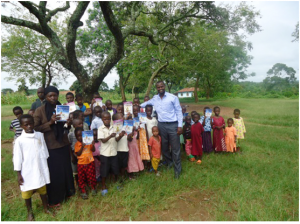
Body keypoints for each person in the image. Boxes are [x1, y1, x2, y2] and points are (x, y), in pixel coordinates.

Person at [34, 86, 75, 208]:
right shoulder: (40, 111)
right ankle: (56, 198)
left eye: (55, 95)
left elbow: (65, 127)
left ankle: (69, 192)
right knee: (55, 172)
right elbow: (35, 128)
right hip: (50, 146)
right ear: (45, 97)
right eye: (50, 96)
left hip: (63, 143)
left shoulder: (62, 108)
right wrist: (50, 123)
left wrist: (68, 123)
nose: (53, 98)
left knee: (66, 170)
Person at [140, 81, 183, 179]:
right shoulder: (155, 98)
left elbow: (179, 111)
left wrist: (179, 126)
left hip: (173, 125)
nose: (160, 88)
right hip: (161, 125)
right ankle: (169, 163)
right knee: (164, 147)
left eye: (162, 86)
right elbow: (145, 104)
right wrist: (133, 107)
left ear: (165, 87)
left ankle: (177, 171)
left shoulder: (173, 97)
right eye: (158, 87)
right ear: (156, 88)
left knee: (175, 148)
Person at [13, 114, 51, 221]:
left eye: (31, 124)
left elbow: (44, 150)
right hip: (27, 170)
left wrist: (45, 164)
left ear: (34, 123)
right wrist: (19, 174)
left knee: (43, 189)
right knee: (27, 192)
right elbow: (17, 158)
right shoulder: (20, 141)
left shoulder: (39, 135)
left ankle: (45, 207)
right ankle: (30, 213)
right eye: (26, 125)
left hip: (40, 166)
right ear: (21, 126)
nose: (29, 126)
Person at [97, 111, 119, 196]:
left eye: (109, 119)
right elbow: (103, 140)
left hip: (113, 152)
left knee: (115, 169)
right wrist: (110, 136)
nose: (107, 120)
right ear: (102, 119)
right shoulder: (100, 129)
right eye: (105, 119)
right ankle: (103, 186)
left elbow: (116, 139)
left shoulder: (114, 127)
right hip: (105, 153)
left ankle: (116, 183)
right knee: (104, 170)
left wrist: (120, 135)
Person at [74, 127, 96, 199]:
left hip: (90, 162)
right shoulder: (77, 144)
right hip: (81, 164)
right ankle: (83, 191)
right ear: (76, 137)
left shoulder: (88, 142)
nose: (80, 137)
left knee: (91, 176)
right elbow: (78, 154)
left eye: (81, 135)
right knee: (81, 178)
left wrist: (92, 144)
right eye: (78, 136)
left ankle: (93, 188)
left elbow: (93, 150)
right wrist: (82, 146)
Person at [113, 113, 130, 181]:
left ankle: (122, 176)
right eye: (121, 117)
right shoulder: (115, 128)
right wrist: (120, 135)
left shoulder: (125, 126)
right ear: (116, 120)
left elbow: (129, 138)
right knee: (117, 165)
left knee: (124, 164)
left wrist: (129, 135)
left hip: (125, 149)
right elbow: (116, 140)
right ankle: (117, 177)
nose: (123, 118)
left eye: (122, 116)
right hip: (118, 150)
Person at [68, 118, 84, 190]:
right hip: (75, 156)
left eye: (82, 123)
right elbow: (69, 145)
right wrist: (72, 156)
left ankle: (84, 183)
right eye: (79, 124)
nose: (81, 125)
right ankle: (78, 184)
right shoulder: (70, 135)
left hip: (84, 156)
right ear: (74, 126)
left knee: (83, 171)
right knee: (76, 172)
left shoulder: (85, 133)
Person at [133, 105, 150, 169]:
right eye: (134, 111)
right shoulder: (132, 120)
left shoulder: (143, 118)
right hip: (136, 137)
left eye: (137, 110)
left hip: (143, 137)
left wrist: (147, 137)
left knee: (144, 149)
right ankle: (139, 165)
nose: (136, 112)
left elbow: (145, 128)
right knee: (138, 150)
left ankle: (145, 165)